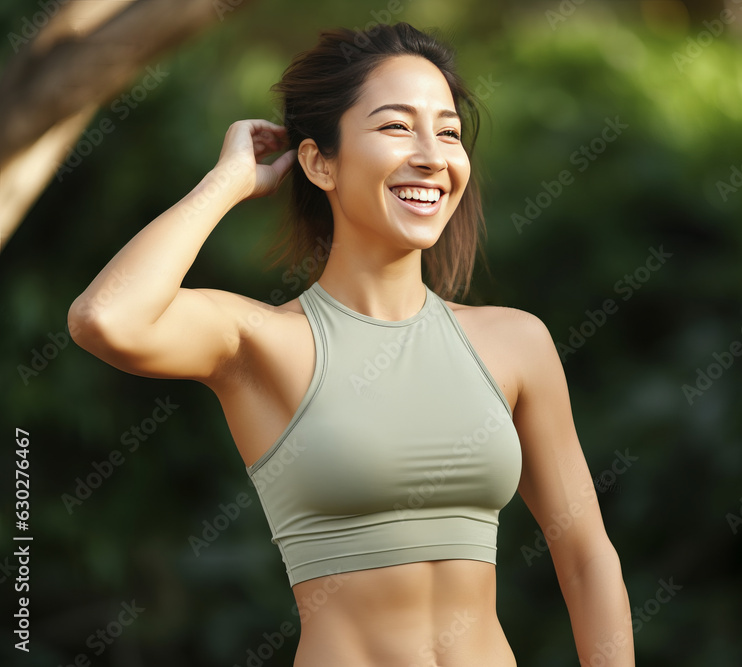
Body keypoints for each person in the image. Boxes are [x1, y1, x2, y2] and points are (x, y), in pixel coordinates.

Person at [68, 22, 633, 667]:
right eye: (396, 127)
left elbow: (585, 553)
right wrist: (227, 183)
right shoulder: (261, 343)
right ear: (318, 162)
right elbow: (105, 319)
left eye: (447, 132)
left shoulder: (515, 342)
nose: (431, 155)